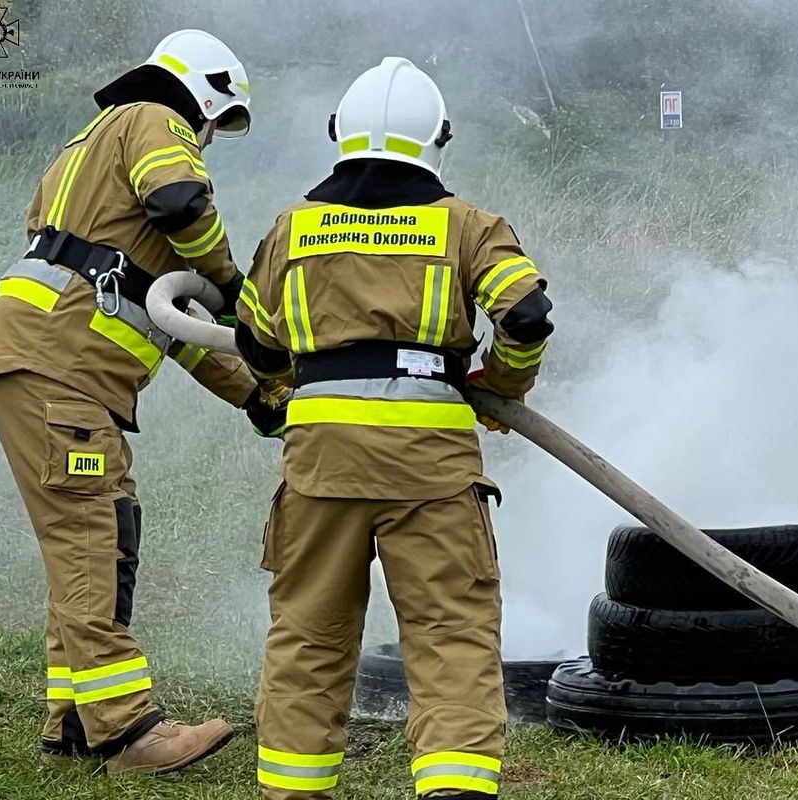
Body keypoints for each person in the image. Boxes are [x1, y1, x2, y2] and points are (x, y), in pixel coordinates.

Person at [235, 56, 554, 800]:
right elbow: (528, 314)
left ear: (337, 134)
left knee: (307, 640)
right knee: (449, 638)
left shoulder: (293, 227)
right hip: (431, 469)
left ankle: (293, 791)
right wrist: (498, 383)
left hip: (320, 466)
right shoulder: (468, 225)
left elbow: (254, 341)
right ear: (438, 140)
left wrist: (293, 384)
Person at [0, 29, 284, 774]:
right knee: (90, 542)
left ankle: (73, 720)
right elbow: (179, 199)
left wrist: (260, 398)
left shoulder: (87, 158)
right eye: (212, 125)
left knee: (104, 532)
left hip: (50, 367)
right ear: (201, 96)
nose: (206, 143)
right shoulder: (152, 119)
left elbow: (178, 327)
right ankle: (129, 732)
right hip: (61, 370)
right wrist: (239, 285)